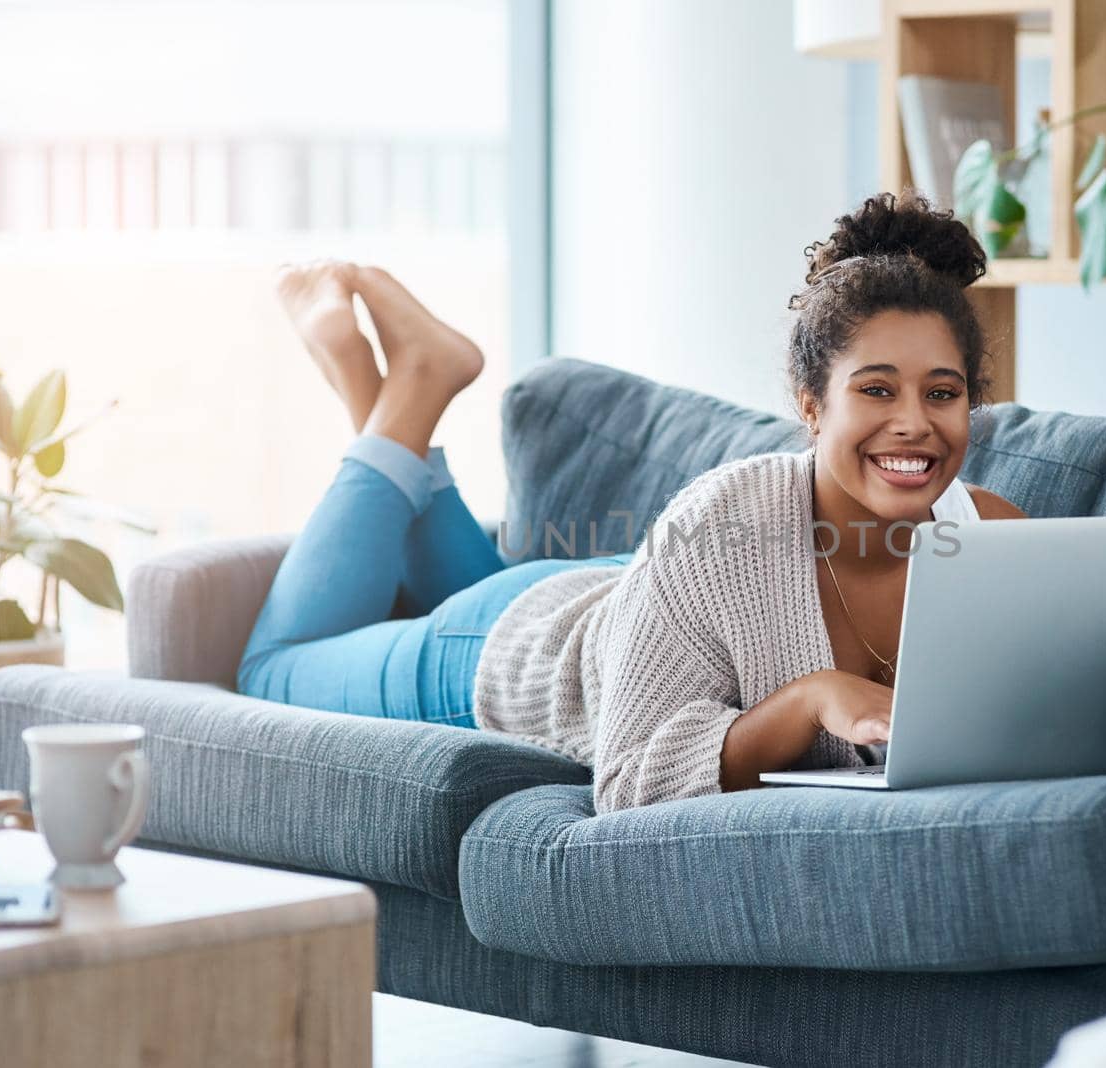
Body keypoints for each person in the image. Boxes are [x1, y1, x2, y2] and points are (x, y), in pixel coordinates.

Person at [238, 192, 1025, 813]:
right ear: (811, 405)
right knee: (269, 672)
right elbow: (629, 782)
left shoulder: (997, 545)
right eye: (877, 389)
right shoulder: (728, 514)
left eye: (943, 393)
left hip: (629, 599)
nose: (915, 423)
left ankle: (389, 387)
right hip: (522, 652)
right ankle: (401, 384)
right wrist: (809, 702)